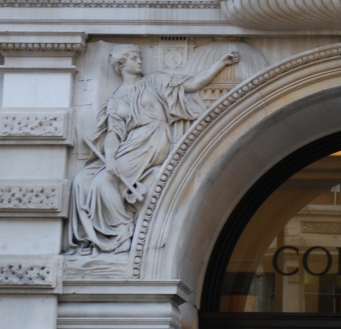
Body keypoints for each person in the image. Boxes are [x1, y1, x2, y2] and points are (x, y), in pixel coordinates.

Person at [68, 44, 240, 255]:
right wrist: (110, 158)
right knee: (81, 181)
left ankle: (122, 232)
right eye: (133, 57)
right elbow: (114, 134)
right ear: (121, 64)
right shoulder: (115, 100)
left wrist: (221, 63)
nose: (140, 61)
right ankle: (87, 238)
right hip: (128, 144)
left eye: (139, 56)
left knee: (103, 182)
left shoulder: (155, 81)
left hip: (153, 138)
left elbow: (194, 84)